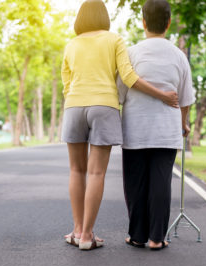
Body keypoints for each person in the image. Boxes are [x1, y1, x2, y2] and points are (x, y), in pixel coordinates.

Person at [61, 0, 178, 251]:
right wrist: (162, 95)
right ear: (104, 17)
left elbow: (66, 83)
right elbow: (128, 77)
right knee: (95, 173)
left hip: (73, 106)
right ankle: (87, 236)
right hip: (104, 106)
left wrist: (76, 101)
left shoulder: (71, 44)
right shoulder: (114, 40)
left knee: (76, 171)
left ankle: (77, 230)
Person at [118, 0, 195, 250]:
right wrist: (183, 125)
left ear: (143, 22)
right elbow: (185, 98)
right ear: (169, 22)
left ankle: (137, 235)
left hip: (135, 128)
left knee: (135, 183)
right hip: (167, 131)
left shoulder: (131, 53)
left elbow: (119, 93)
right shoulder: (179, 56)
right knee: (161, 182)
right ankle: (156, 238)